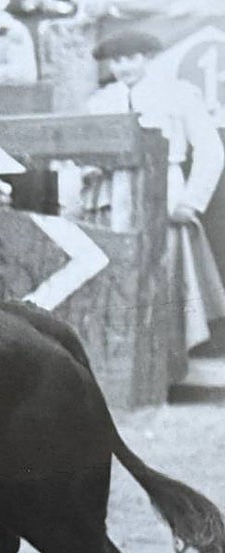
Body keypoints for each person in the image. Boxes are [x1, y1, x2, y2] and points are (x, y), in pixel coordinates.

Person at [84, 29, 225, 351]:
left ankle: (167, 359)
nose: (124, 67)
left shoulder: (178, 94)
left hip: (164, 193)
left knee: (164, 275)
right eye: (117, 60)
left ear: (147, 58)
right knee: (118, 276)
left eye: (131, 58)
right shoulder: (101, 101)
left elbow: (211, 150)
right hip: (112, 194)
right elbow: (86, 154)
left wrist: (191, 201)